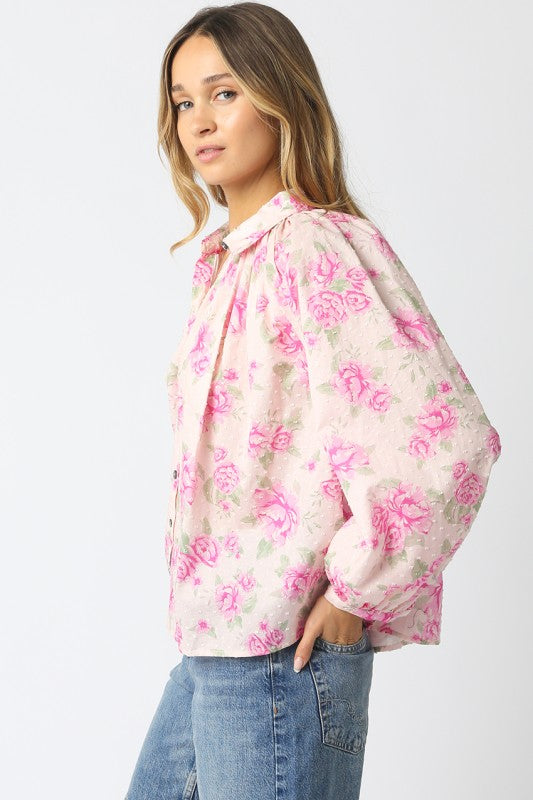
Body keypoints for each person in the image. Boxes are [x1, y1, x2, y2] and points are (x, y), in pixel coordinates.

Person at [125, 4, 502, 799]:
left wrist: (356, 593)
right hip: (215, 644)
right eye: (183, 101)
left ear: (279, 97)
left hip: (280, 651)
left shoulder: (313, 246)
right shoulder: (230, 262)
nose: (198, 120)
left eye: (224, 93)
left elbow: (447, 441)